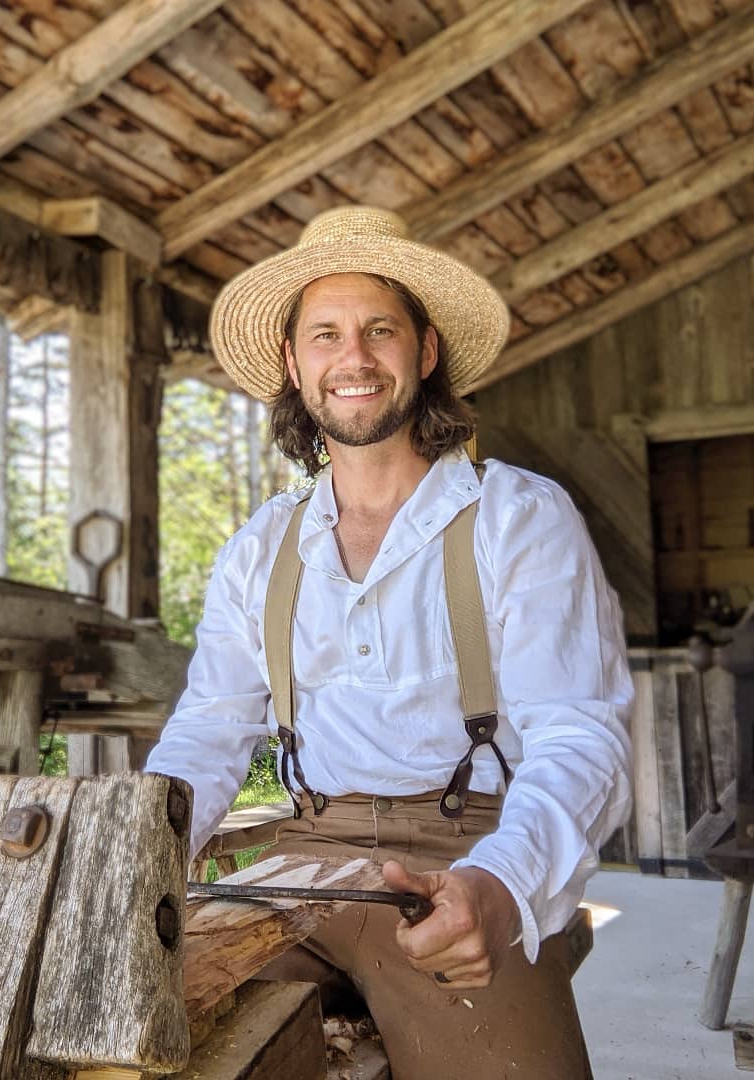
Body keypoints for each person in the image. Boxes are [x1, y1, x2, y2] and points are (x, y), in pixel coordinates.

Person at [145, 205, 633, 1079]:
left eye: (380, 329)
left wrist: (502, 885)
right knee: (130, 1030)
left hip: (468, 853)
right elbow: (210, 726)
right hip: (300, 860)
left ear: (426, 350)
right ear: (295, 366)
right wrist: (140, 853)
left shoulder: (518, 518)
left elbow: (579, 732)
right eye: (326, 334)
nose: (355, 357)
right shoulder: (262, 547)